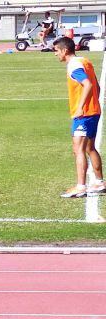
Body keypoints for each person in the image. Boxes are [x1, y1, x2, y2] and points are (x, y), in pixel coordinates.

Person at [54, 36, 105, 198]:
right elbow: (96, 86)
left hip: (84, 114)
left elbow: (88, 84)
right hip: (94, 111)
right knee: (90, 148)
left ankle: (81, 187)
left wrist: (81, 107)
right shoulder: (85, 61)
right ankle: (99, 182)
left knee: (79, 149)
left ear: (65, 50)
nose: (55, 54)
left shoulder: (73, 66)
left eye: (57, 51)